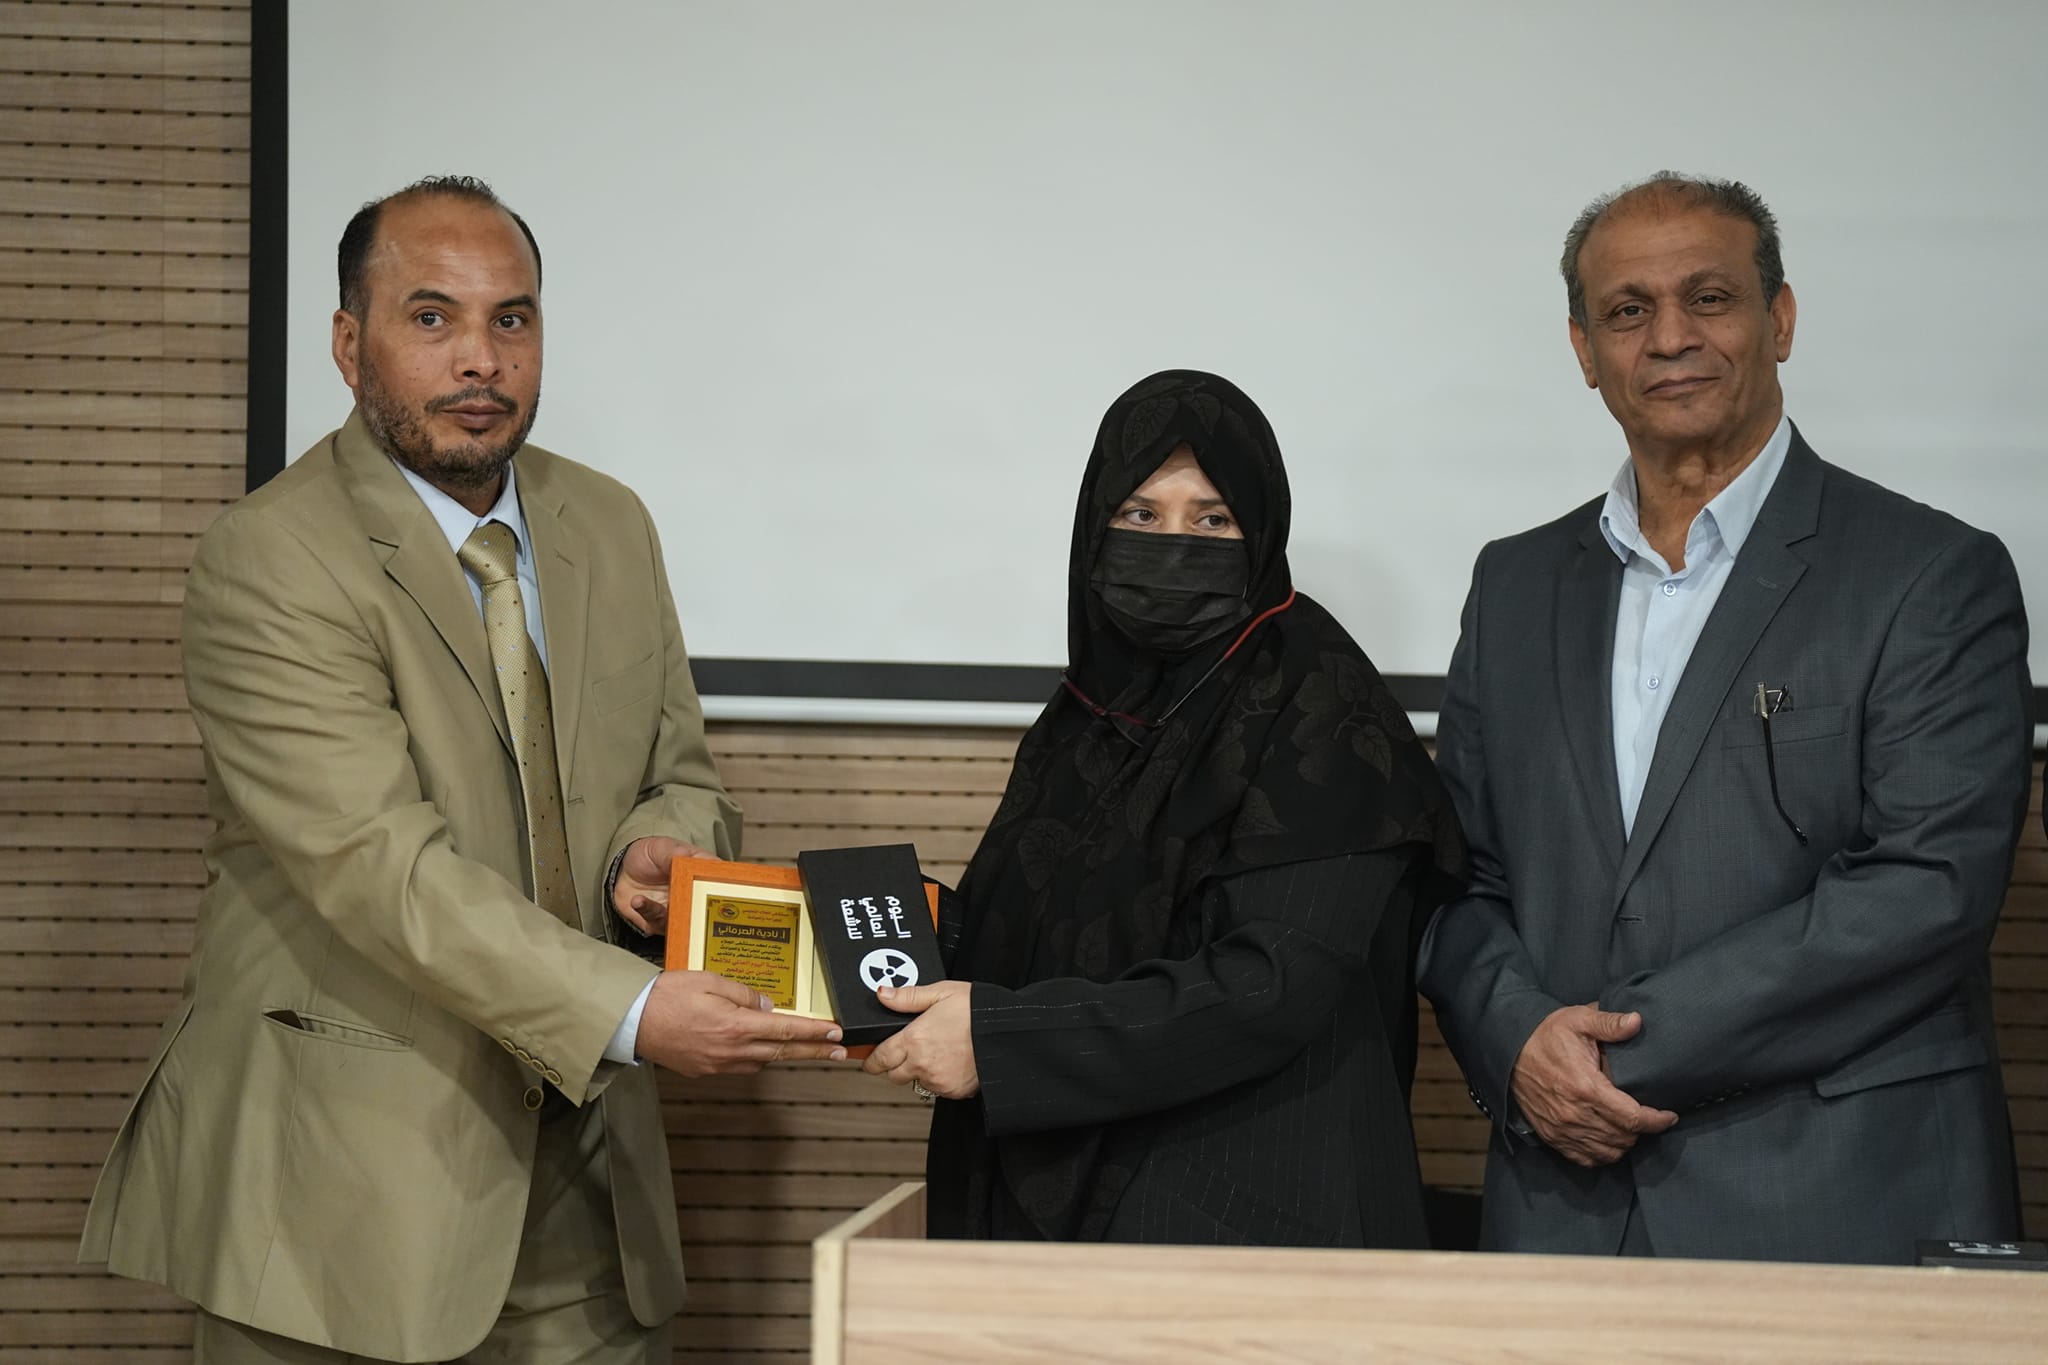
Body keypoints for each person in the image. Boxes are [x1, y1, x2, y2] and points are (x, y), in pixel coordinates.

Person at [77, 176, 846, 1363]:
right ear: (349, 344)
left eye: (511, 319)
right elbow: (377, 868)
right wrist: (632, 1011)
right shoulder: (271, 558)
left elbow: (681, 772)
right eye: (430, 317)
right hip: (348, 1204)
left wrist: (659, 850)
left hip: (594, 1204)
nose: (480, 359)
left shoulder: (611, 523)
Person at [1419, 172, 2034, 1262]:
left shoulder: (1930, 573)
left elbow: (1925, 888)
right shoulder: (1512, 585)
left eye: (1707, 298)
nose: (1669, 338)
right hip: (1562, 1208)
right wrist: (1517, 1042)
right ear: (1583, 350)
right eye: (1627, 310)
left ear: (1779, 319)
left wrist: (1605, 1056)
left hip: (1841, 1203)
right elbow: (1458, 877)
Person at [863, 370, 1467, 1245]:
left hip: (1245, 1225)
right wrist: (873, 930)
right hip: (1086, 1215)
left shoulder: (1321, 704)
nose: (1173, 543)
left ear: (1260, 528)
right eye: (1140, 514)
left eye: (1212, 520)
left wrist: (1000, 1043)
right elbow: (1061, 933)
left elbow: (1271, 983)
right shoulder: (1094, 706)